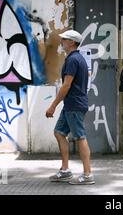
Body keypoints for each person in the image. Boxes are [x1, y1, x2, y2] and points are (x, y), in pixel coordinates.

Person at [46, 30, 94, 185]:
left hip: (74, 105)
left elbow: (66, 85)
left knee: (80, 137)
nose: (62, 41)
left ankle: (87, 175)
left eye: (64, 39)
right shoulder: (78, 59)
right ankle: (65, 170)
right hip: (72, 105)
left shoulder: (73, 60)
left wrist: (53, 106)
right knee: (59, 132)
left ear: (72, 42)